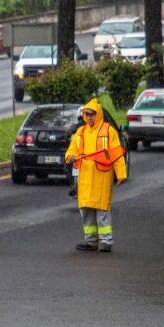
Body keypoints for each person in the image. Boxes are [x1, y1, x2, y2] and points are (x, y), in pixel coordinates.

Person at [65, 98, 127, 252]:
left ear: (97, 114)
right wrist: (70, 156)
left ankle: (106, 242)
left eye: (92, 114)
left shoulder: (108, 131)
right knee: (86, 209)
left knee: (102, 210)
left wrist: (121, 174)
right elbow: (72, 149)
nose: (89, 117)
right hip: (85, 176)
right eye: (87, 114)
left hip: (101, 176)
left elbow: (117, 155)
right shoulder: (81, 132)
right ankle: (91, 242)